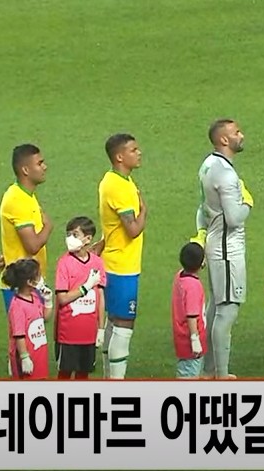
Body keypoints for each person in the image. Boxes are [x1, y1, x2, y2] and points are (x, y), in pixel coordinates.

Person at [194, 119, 251, 379]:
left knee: (215, 309)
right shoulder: (226, 174)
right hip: (228, 251)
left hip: (216, 244)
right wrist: (247, 202)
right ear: (224, 140)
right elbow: (235, 218)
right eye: (236, 132)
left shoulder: (208, 164)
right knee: (227, 311)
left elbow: (201, 210)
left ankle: (208, 371)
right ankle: (221, 374)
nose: (242, 135)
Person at [98, 133, 147, 379]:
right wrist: (144, 211)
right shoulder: (119, 187)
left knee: (113, 321)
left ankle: (109, 378)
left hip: (114, 262)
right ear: (119, 156)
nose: (139, 153)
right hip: (122, 267)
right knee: (124, 323)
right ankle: (116, 383)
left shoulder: (114, 180)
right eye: (133, 150)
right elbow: (132, 229)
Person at [0, 145, 52, 312]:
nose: (45, 167)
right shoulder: (17, 200)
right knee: (26, 329)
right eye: (39, 163)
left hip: (31, 281)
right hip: (20, 286)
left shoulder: (26, 196)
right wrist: (48, 227)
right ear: (26, 170)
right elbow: (32, 246)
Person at [53, 217, 105, 380]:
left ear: (88, 239)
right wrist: (86, 287)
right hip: (67, 334)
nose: (70, 239)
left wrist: (101, 328)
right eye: (68, 234)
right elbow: (62, 299)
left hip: (89, 333)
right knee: (64, 374)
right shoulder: (64, 263)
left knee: (83, 375)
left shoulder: (97, 263)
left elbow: (100, 297)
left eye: (75, 235)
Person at [4, 259, 53, 380]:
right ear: (30, 282)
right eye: (38, 275)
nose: (42, 278)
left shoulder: (35, 297)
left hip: (39, 354)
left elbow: (44, 318)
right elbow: (19, 335)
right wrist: (24, 357)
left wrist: (48, 301)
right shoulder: (18, 306)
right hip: (27, 357)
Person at [172, 243, 208, 379]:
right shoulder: (193, 286)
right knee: (189, 375)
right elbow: (192, 315)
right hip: (190, 344)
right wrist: (195, 340)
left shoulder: (179, 277)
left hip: (181, 338)